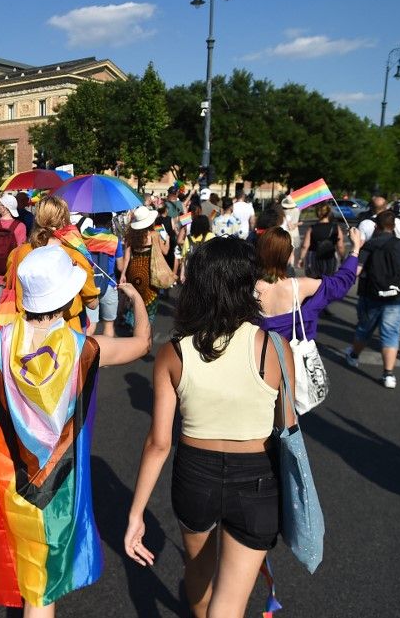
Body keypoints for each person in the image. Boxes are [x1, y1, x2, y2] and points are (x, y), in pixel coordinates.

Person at [0, 245, 151, 616]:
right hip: (59, 489)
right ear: (66, 298)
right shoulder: (84, 349)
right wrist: (136, 300)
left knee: (32, 582)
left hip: (10, 480)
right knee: (42, 593)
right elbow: (144, 343)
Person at [123, 237, 294, 618]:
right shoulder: (275, 348)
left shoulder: (174, 351)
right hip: (258, 477)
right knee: (231, 601)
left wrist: (136, 513)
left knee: (197, 571)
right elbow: (288, 429)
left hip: (195, 473)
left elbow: (158, 443)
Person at [0, 195, 99, 332]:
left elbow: (9, 284)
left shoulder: (18, 253)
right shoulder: (74, 254)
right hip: (65, 333)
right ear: (63, 219)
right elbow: (92, 303)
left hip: (26, 331)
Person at [344, 210, 400, 389]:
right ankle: (388, 374)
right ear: (394, 227)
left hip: (371, 295)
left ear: (376, 226)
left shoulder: (369, 246)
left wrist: (354, 250)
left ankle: (354, 356)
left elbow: (356, 271)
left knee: (364, 329)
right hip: (397, 297)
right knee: (391, 334)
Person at [257, 226, 362, 339]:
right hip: (291, 353)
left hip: (258, 353)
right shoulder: (300, 286)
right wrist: (355, 249)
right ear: (288, 256)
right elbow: (340, 283)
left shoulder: (247, 287)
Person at [118, 205, 169, 327]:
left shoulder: (130, 236)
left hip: (133, 271)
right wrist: (167, 240)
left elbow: (127, 257)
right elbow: (165, 251)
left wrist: (123, 274)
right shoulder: (154, 235)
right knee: (149, 301)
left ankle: (134, 324)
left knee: (135, 299)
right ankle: (145, 328)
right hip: (149, 272)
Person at [0, 193, 26, 326]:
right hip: (11, 275)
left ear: (5, 208)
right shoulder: (20, 226)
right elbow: (20, 252)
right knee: (11, 310)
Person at [84, 212, 123, 337]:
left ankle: (86, 354)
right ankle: (107, 355)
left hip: (90, 285)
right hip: (109, 282)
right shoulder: (114, 240)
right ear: (109, 221)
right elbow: (120, 266)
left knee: (90, 326)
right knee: (108, 324)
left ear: (94, 219)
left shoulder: (85, 236)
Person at [298, 202, 344, 278]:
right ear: (329, 212)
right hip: (329, 257)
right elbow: (340, 246)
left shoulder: (312, 228)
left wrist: (301, 258)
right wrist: (342, 257)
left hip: (314, 258)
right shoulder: (336, 228)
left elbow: (305, 246)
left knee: (314, 282)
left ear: (317, 213)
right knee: (328, 281)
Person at [280, 196, 301, 261]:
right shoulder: (297, 210)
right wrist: (296, 224)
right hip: (294, 233)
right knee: (292, 253)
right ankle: (291, 268)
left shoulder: (283, 211)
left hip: (285, 233)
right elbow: (296, 224)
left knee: (284, 252)